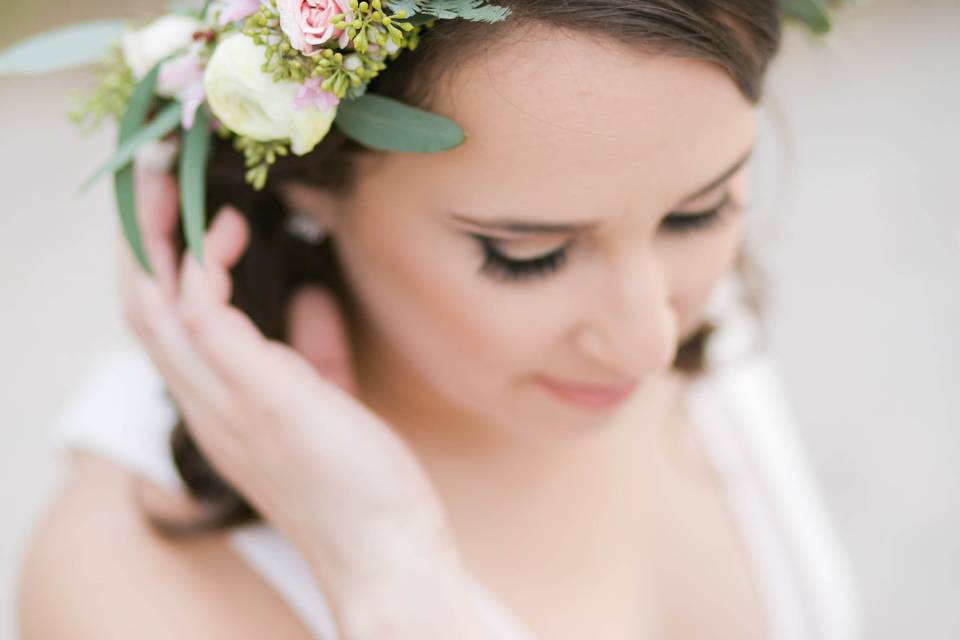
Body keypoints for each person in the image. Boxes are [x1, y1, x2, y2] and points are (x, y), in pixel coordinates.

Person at [17, 1, 860, 638]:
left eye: (701, 213)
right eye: (527, 256)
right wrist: (390, 575)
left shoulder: (688, 305)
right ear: (307, 173)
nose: (650, 343)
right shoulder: (124, 588)